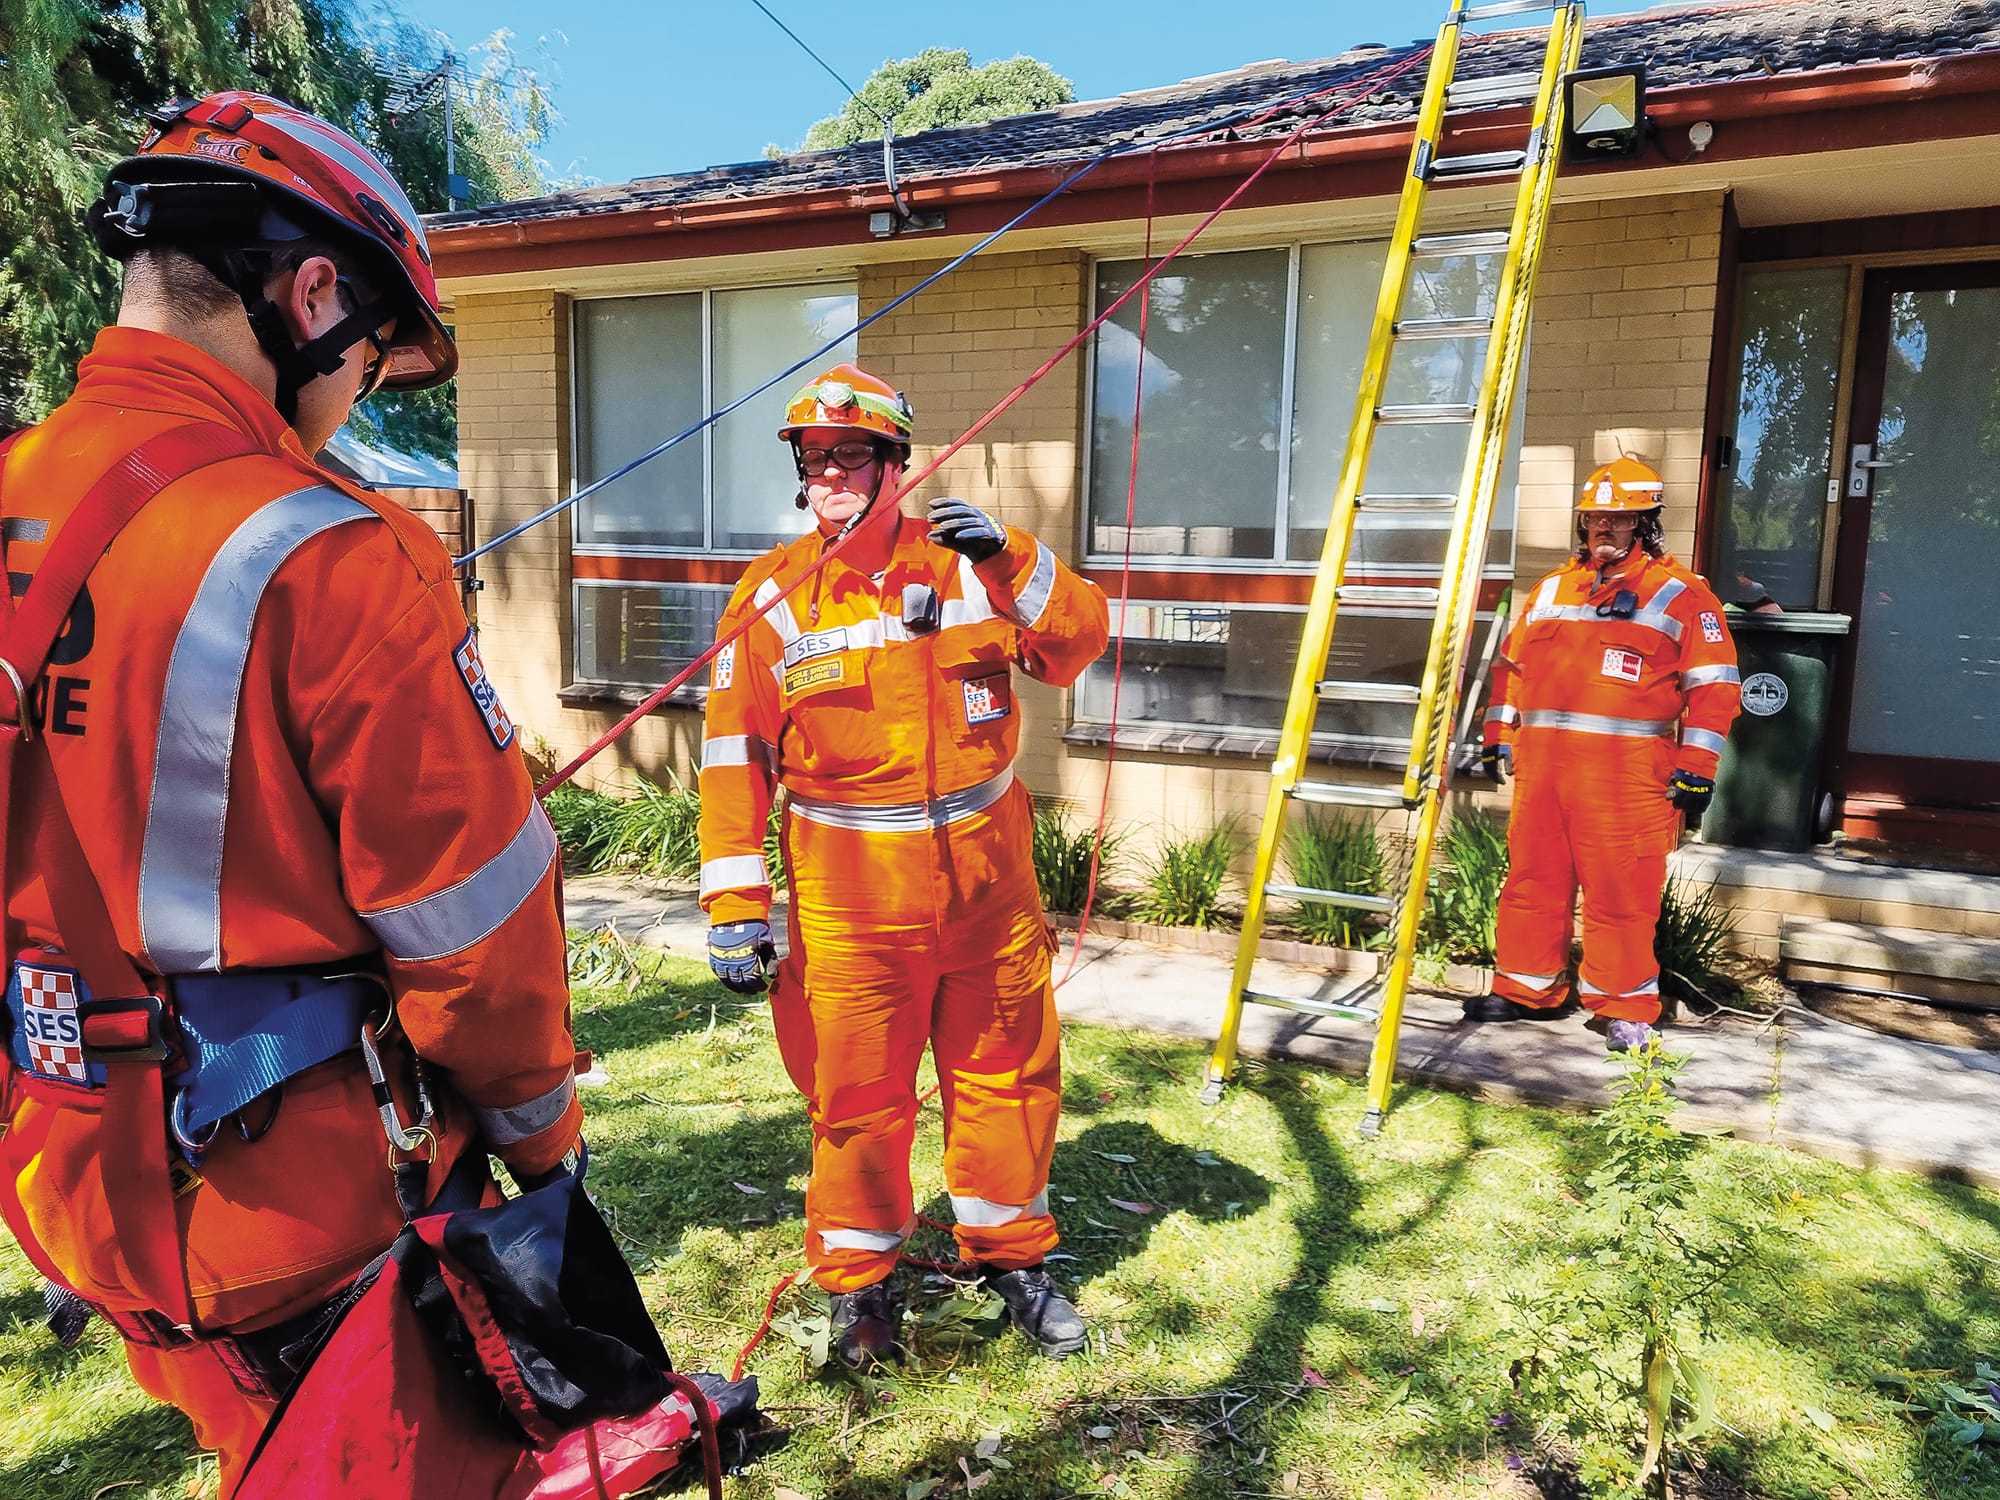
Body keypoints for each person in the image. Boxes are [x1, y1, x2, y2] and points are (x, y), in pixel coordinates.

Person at [0, 93, 581, 1490]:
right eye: (369, 362)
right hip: (303, 1220)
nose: (356, 401)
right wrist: (545, 1149)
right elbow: (478, 943)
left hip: (75, 1192)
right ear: (312, 294)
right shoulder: (330, 552)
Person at [697, 363, 1110, 1367]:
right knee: (855, 1099)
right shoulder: (772, 598)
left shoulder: (969, 567)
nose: (831, 474)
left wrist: (1015, 556)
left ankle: (1012, 1259)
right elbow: (730, 755)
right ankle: (858, 1286)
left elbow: (1078, 640)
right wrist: (732, 906)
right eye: (815, 458)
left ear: (894, 463)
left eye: (851, 455)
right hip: (848, 897)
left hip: (987, 889)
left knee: (1007, 1075)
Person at [1466, 456, 1741, 1052]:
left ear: (1646, 525)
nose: (1602, 529)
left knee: (1621, 893)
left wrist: (1697, 770)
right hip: (1544, 772)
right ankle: (1526, 989)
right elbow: (1510, 669)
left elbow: (1715, 689)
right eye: (1594, 518)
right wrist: (1497, 736)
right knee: (1531, 882)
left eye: (1618, 519)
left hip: (1627, 778)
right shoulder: (1551, 589)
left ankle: (1623, 1006)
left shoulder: (1683, 597)